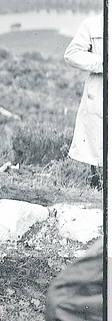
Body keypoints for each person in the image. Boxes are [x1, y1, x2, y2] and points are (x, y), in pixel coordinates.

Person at [64, 14, 103, 189]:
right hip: (100, 87)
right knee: (96, 137)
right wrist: (103, 63)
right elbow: (72, 54)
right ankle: (97, 183)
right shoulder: (92, 24)